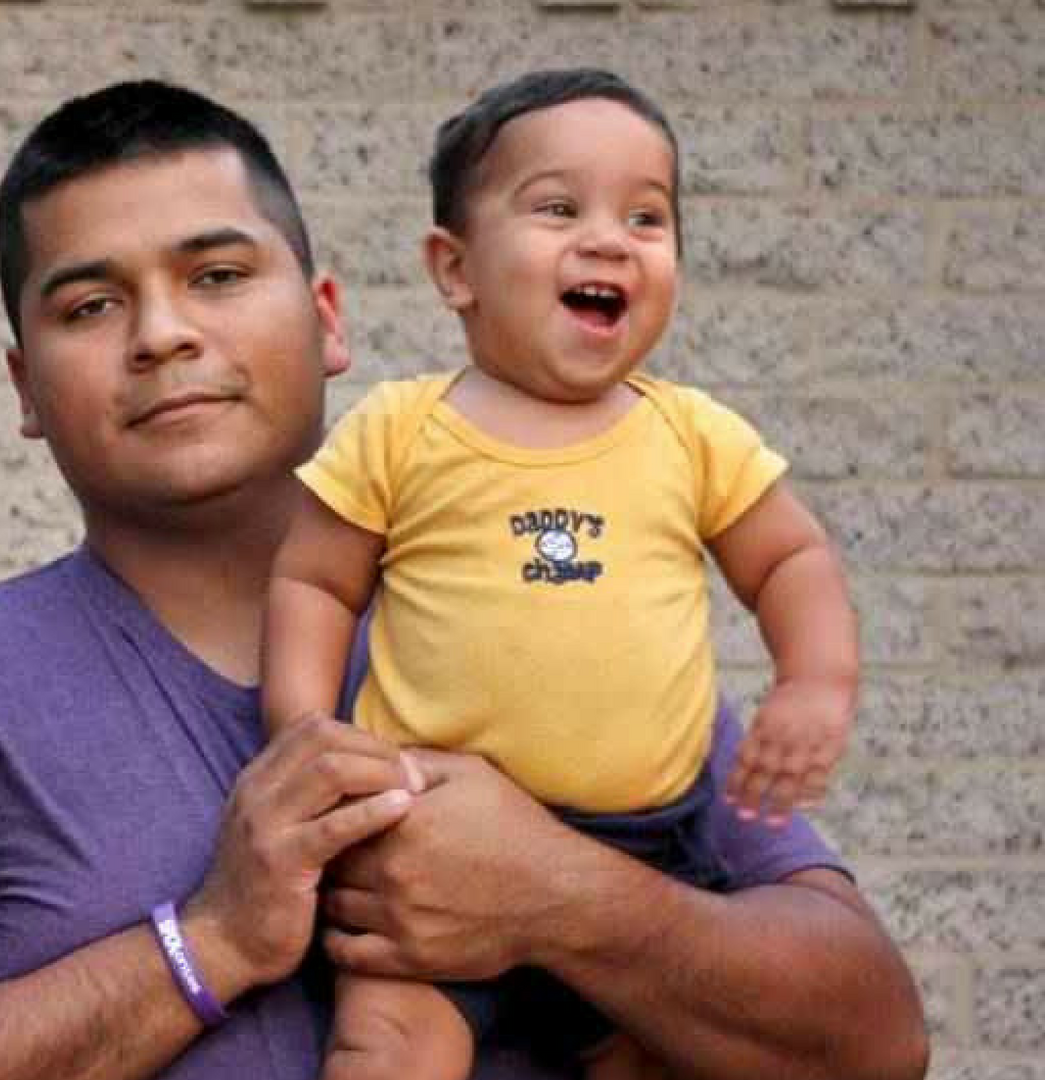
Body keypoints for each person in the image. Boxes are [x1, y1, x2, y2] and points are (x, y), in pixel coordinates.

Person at [0, 81, 927, 1080]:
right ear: (25, 389)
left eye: (218, 276)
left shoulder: (552, 623)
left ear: (329, 317)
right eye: (92, 305)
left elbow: (874, 1037)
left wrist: (558, 895)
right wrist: (206, 944)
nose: (163, 335)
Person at [260, 69, 861, 1080]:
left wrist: (817, 680)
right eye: (558, 207)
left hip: (650, 851)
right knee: (388, 1046)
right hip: (422, 843)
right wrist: (302, 729)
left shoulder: (693, 435)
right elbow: (315, 583)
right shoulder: (404, 429)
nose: (609, 238)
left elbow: (791, 558)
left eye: (647, 216)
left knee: (664, 1051)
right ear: (455, 269)